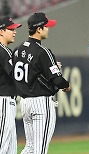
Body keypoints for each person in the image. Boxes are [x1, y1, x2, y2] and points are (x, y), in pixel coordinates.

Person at [12, 12, 70, 154]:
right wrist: (66, 85)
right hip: (41, 104)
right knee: (40, 150)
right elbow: (57, 80)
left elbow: (30, 72)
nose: (48, 29)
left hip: (24, 104)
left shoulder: (17, 50)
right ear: (39, 29)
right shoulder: (43, 51)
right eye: (46, 26)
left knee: (30, 148)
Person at [0, 16, 21, 154]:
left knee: (10, 148)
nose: (14, 32)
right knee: (3, 144)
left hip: (6, 100)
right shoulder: (4, 51)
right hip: (4, 100)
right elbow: (16, 76)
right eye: (10, 29)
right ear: (1, 31)